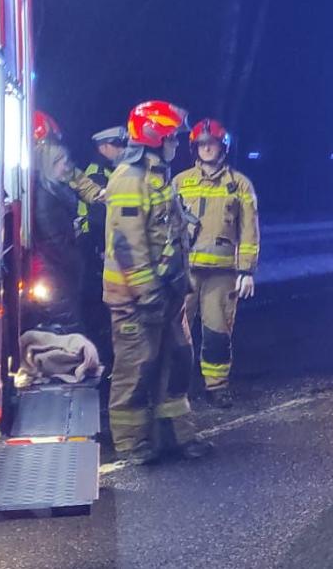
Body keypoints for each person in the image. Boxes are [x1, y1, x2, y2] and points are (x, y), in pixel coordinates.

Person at [102, 100, 205, 465]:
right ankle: (131, 442)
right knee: (136, 367)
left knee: (177, 360)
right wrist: (147, 294)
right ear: (154, 137)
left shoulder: (157, 175)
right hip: (137, 297)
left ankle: (176, 435)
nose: (177, 144)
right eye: (172, 137)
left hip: (168, 293)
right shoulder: (130, 179)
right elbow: (127, 246)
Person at [172, 118, 260, 408]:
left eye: (211, 143)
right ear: (194, 148)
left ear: (223, 146)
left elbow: (249, 231)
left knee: (218, 332)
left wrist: (247, 270)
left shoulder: (239, 184)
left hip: (223, 274)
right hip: (185, 272)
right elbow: (167, 225)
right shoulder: (180, 182)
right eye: (201, 144)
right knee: (177, 332)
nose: (207, 148)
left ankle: (217, 386)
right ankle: (175, 388)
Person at [28, 111, 100, 331]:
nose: (67, 166)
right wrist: (77, 260)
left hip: (59, 275)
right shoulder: (45, 197)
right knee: (70, 328)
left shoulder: (52, 187)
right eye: (61, 161)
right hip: (56, 275)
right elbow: (54, 242)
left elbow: (78, 179)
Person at [77, 126, 129, 362]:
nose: (122, 150)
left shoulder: (110, 171)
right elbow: (100, 217)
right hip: (94, 247)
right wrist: (103, 249)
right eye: (117, 145)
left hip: (98, 247)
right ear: (104, 147)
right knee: (98, 307)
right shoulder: (98, 173)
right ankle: (101, 357)